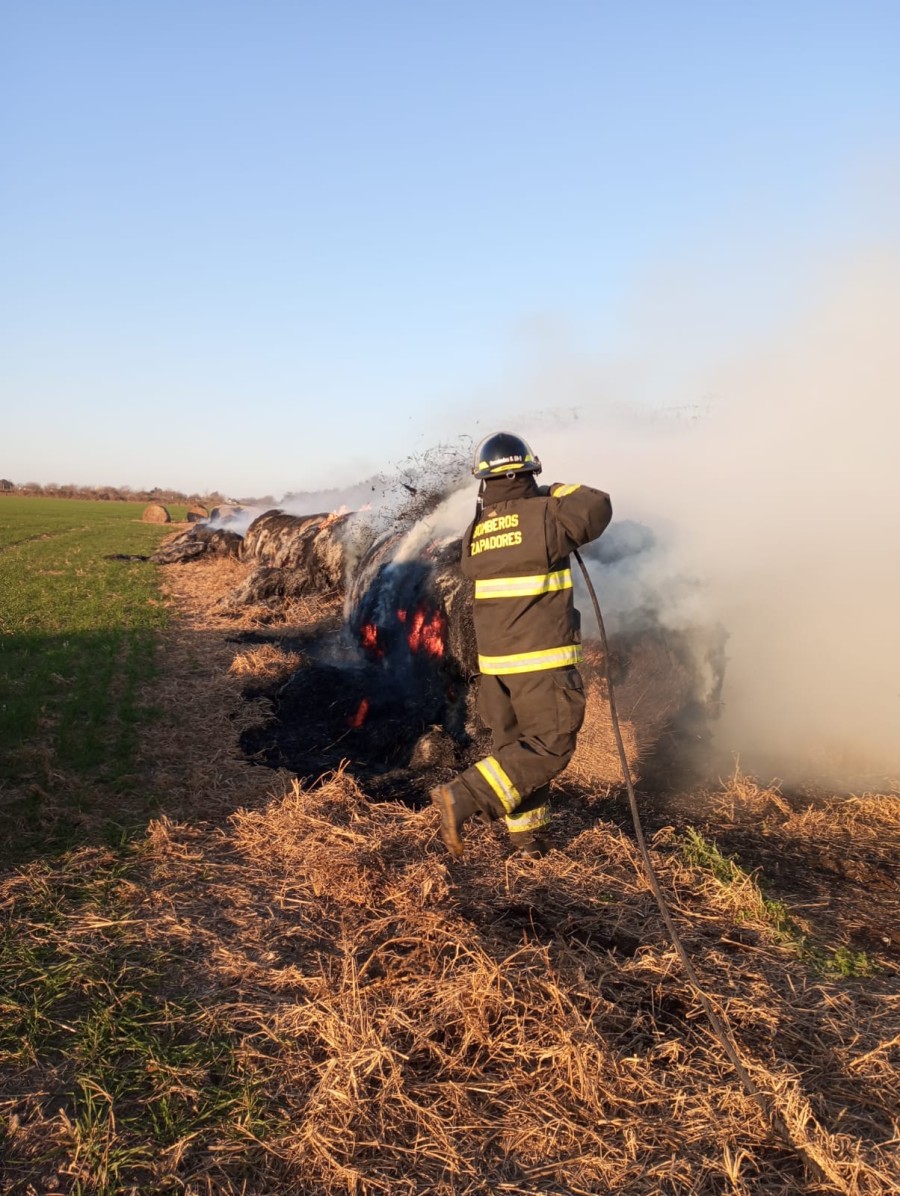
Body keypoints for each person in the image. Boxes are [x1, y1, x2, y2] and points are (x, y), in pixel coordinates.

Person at [431, 431, 612, 859]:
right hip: (541, 660)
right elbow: (597, 505)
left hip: (497, 668)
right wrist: (552, 491)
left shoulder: (476, 533)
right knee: (550, 745)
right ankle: (464, 796)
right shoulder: (548, 515)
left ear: (483, 483)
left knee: (516, 750)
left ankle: (527, 837)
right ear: (530, 470)